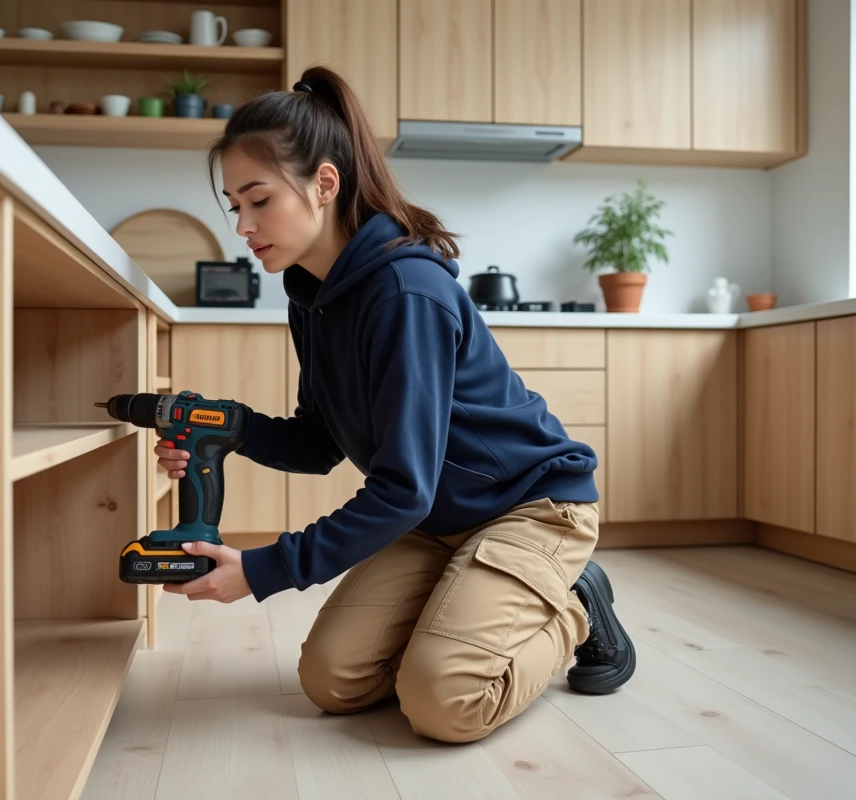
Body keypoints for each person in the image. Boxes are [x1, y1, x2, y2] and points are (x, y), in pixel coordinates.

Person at [155, 65, 635, 744]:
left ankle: (576, 605)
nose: (243, 224)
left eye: (258, 200)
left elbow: (402, 487)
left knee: (444, 701)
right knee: (332, 681)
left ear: (324, 184)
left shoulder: (406, 292)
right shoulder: (310, 295)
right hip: (439, 519)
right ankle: (467, 607)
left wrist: (263, 570)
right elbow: (320, 443)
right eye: (234, 205)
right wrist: (225, 428)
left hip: (531, 508)